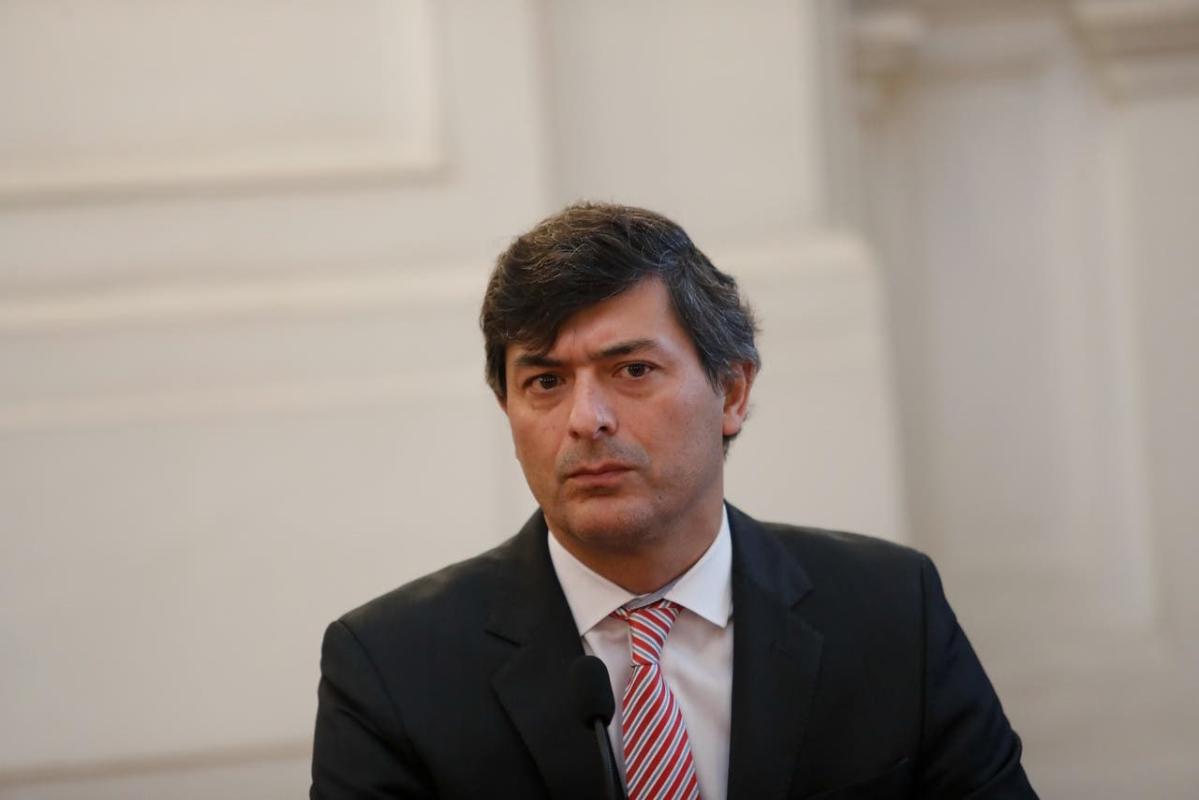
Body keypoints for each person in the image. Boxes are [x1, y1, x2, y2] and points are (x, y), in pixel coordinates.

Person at [310, 203, 1037, 799]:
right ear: (508, 409)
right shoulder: (392, 667)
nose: (586, 419)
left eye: (631, 369)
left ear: (732, 392)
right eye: (545, 382)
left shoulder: (890, 611)